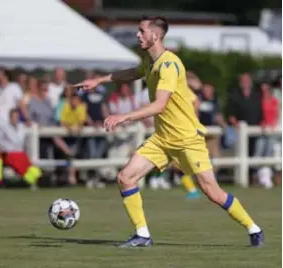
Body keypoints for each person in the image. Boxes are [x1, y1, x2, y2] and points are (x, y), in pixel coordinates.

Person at [73, 16, 263, 248]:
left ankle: (253, 228)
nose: (137, 35)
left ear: (155, 35)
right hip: (162, 139)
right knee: (125, 177)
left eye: (141, 31)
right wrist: (99, 80)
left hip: (187, 140)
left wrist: (124, 116)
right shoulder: (150, 61)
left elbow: (159, 105)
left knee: (212, 192)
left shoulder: (169, 65)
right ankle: (142, 235)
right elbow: (132, 73)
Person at [0, 109, 42, 187]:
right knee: (23, 168)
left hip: (21, 153)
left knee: (31, 168)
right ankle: (28, 181)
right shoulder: (4, 127)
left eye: (17, 117)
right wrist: (10, 148)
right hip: (10, 153)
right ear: (10, 117)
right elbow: (0, 142)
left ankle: (32, 179)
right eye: (14, 117)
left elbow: (31, 126)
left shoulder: (21, 126)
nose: (15, 118)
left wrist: (36, 125)